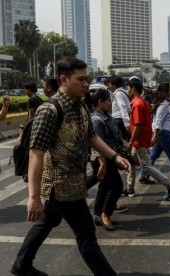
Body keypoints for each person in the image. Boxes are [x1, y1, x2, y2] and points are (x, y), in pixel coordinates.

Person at [10, 57, 130, 276]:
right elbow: (35, 153)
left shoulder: (80, 106)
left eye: (87, 79)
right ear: (64, 79)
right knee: (86, 233)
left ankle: (21, 264)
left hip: (75, 181)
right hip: (61, 185)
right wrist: (33, 198)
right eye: (81, 79)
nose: (86, 84)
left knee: (48, 221)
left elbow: (92, 137)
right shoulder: (50, 110)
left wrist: (114, 157)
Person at [84, 84, 129, 231]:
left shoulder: (107, 117)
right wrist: (102, 164)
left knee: (104, 187)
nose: (111, 103)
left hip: (111, 157)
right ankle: (106, 214)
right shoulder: (96, 120)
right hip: (102, 159)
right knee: (116, 187)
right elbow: (97, 144)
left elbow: (115, 134)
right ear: (100, 102)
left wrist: (124, 143)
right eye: (108, 100)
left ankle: (97, 214)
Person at [125, 78, 170, 200]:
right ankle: (129, 188)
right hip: (140, 139)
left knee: (147, 166)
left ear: (133, 89)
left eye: (128, 88)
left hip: (139, 140)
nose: (127, 91)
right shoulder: (141, 102)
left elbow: (138, 125)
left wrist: (131, 142)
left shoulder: (137, 104)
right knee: (131, 162)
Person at [108, 76, 131, 141]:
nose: (109, 86)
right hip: (122, 120)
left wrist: (127, 124)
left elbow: (123, 108)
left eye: (110, 84)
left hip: (120, 121)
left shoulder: (118, 94)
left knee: (121, 141)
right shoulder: (123, 92)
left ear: (114, 85)